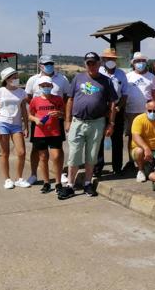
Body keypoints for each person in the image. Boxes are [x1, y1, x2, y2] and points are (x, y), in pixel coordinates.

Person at [61, 52, 117, 200]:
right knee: (74, 155)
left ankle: (87, 183)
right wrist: (67, 120)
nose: (91, 66)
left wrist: (111, 123)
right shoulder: (78, 78)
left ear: (99, 64)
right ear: (85, 64)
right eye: (89, 63)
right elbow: (70, 100)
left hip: (97, 123)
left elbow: (112, 104)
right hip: (78, 122)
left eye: (94, 63)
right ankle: (70, 185)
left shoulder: (107, 81)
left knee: (91, 156)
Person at [24, 55, 70, 185]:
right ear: (40, 65)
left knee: (58, 149)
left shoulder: (62, 79)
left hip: (56, 119)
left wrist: (61, 112)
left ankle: (59, 174)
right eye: (46, 63)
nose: (49, 65)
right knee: (36, 149)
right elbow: (28, 97)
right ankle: (33, 174)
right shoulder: (33, 79)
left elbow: (66, 98)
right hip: (39, 121)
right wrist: (39, 110)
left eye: (51, 63)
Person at [0, 67, 30, 189]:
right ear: (6, 79)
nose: (16, 79)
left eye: (16, 76)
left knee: (22, 152)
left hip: (16, 125)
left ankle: (19, 178)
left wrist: (26, 126)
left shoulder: (21, 92)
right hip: (2, 124)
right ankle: (7, 179)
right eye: (13, 77)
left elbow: (24, 110)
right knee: (5, 153)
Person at [28, 76, 65, 193]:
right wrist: (35, 120)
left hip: (54, 132)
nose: (46, 87)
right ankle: (46, 182)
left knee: (57, 156)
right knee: (43, 158)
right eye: (43, 86)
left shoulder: (58, 99)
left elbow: (63, 114)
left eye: (48, 85)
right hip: (40, 133)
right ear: (39, 87)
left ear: (52, 86)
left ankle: (58, 183)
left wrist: (59, 113)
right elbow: (29, 115)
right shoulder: (35, 100)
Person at [96, 48, 128, 176]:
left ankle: (117, 167)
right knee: (98, 140)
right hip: (100, 110)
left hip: (117, 110)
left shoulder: (121, 74)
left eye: (113, 59)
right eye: (108, 59)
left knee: (117, 140)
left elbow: (125, 94)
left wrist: (119, 107)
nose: (111, 61)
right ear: (103, 60)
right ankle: (97, 168)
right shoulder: (98, 72)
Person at [125, 52, 155, 167]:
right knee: (132, 136)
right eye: (138, 61)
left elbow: (154, 94)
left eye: (143, 61)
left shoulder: (151, 77)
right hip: (131, 111)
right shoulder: (128, 76)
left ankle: (146, 159)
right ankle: (131, 160)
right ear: (133, 63)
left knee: (147, 135)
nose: (140, 63)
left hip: (147, 112)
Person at [130, 101, 155, 182]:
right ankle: (140, 170)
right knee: (139, 151)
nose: (152, 113)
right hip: (144, 150)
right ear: (145, 110)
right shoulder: (138, 119)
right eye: (149, 110)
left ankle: (153, 167)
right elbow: (135, 136)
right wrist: (146, 148)